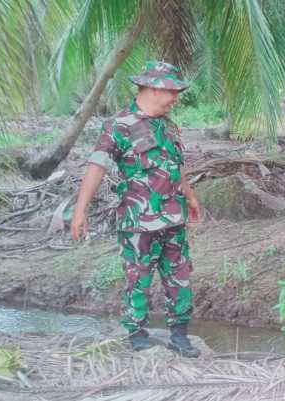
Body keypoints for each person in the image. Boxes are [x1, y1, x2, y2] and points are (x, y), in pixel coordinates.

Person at [71, 60, 202, 358]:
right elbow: (96, 167)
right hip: (138, 221)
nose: (176, 98)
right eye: (172, 91)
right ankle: (137, 333)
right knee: (138, 279)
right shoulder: (119, 125)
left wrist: (190, 196)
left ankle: (179, 335)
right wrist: (81, 211)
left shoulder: (168, 126)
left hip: (173, 218)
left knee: (179, 276)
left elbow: (174, 166)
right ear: (154, 88)